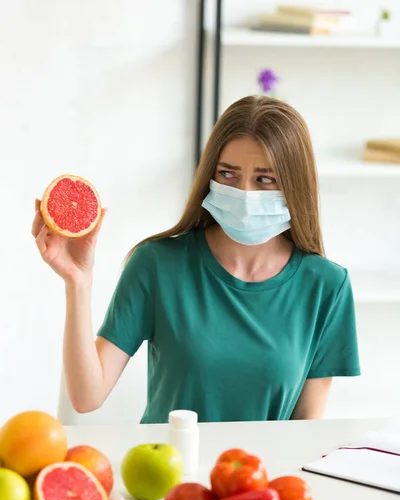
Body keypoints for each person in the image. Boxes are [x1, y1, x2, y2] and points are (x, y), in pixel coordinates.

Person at [32, 95, 360, 424]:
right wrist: (78, 282)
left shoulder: (327, 286)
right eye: (228, 175)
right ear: (210, 176)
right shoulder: (157, 264)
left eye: (264, 179)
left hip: (262, 476)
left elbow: (305, 429)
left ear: (293, 185)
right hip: (167, 472)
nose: (245, 193)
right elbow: (87, 397)